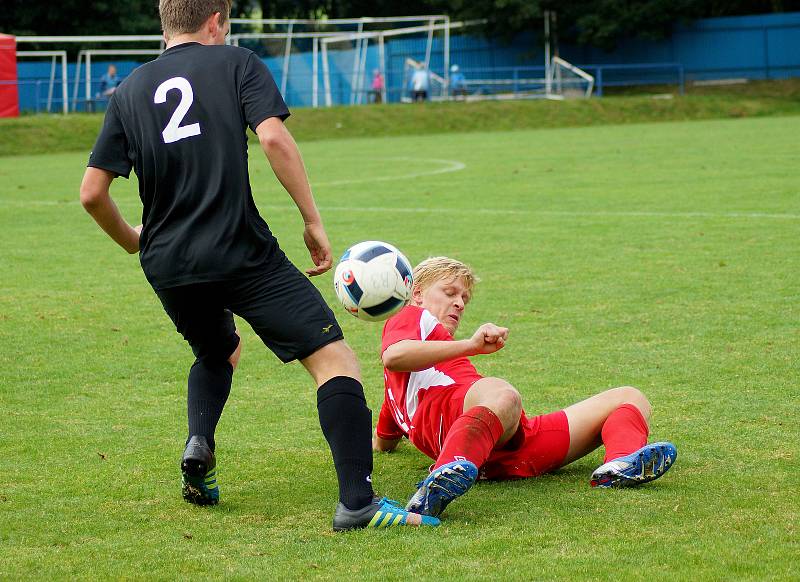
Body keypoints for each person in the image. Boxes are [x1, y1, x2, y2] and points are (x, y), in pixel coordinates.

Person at [79, 0, 438, 531]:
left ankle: (199, 446)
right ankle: (357, 504)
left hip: (168, 260)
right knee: (333, 360)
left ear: (165, 23)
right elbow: (272, 136)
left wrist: (134, 240)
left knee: (218, 349)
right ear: (216, 21)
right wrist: (312, 220)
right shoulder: (237, 62)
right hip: (239, 250)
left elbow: (91, 193)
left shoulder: (129, 89)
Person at [373, 257, 677, 518]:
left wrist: (376, 444)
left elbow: (384, 440)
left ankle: (619, 465)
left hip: (507, 442)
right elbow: (395, 356)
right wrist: (471, 346)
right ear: (416, 294)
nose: (459, 303)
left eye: (464, 298)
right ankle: (440, 479)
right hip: (471, 428)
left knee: (629, 397)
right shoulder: (410, 315)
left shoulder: (397, 393)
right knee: (502, 393)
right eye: (450, 292)